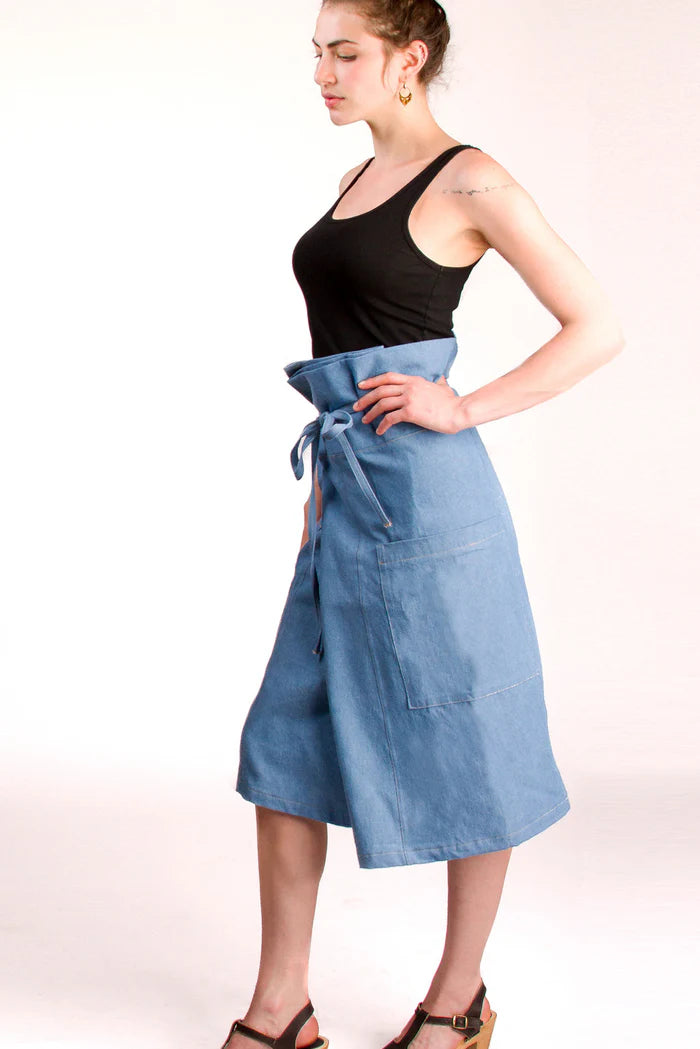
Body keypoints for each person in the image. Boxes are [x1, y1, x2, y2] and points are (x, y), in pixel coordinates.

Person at [221, 3, 624, 1049]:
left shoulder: (470, 179)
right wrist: (321, 493)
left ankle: (457, 1000)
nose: (323, 72)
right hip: (347, 493)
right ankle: (281, 1006)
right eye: (316, 53)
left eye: (345, 53)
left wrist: (464, 405)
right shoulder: (355, 178)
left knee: (470, 733)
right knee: (284, 740)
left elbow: (597, 324)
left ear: (410, 58)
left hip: (433, 503)